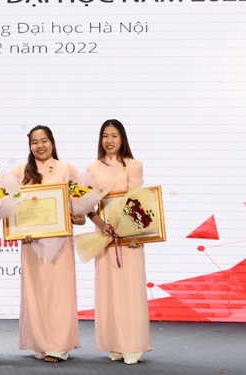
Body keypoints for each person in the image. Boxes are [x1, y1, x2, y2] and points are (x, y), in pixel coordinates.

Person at [11, 125, 81, 363]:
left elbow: (80, 205)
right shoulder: (21, 172)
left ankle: (59, 346)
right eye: (34, 142)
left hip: (60, 243)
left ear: (52, 142)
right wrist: (18, 228)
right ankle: (41, 343)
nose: (39, 146)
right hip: (31, 243)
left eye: (44, 141)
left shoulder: (67, 170)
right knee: (36, 292)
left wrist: (78, 216)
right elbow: (10, 206)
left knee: (59, 293)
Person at [85, 119, 151, 365]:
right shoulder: (92, 168)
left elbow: (138, 200)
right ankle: (115, 343)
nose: (109, 140)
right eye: (105, 136)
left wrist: (134, 234)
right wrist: (99, 223)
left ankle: (133, 345)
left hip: (129, 238)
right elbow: (87, 204)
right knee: (109, 291)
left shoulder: (133, 166)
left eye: (114, 136)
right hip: (104, 237)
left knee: (130, 291)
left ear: (122, 139)